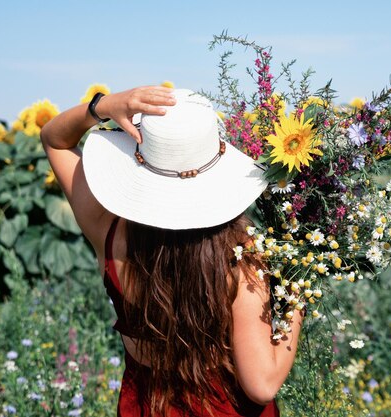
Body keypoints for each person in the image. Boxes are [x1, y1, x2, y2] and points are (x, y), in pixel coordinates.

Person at [40, 86, 303, 416]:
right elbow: (261, 385)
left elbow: (54, 138)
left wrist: (103, 105)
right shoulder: (240, 258)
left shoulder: (105, 227)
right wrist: (296, 303)